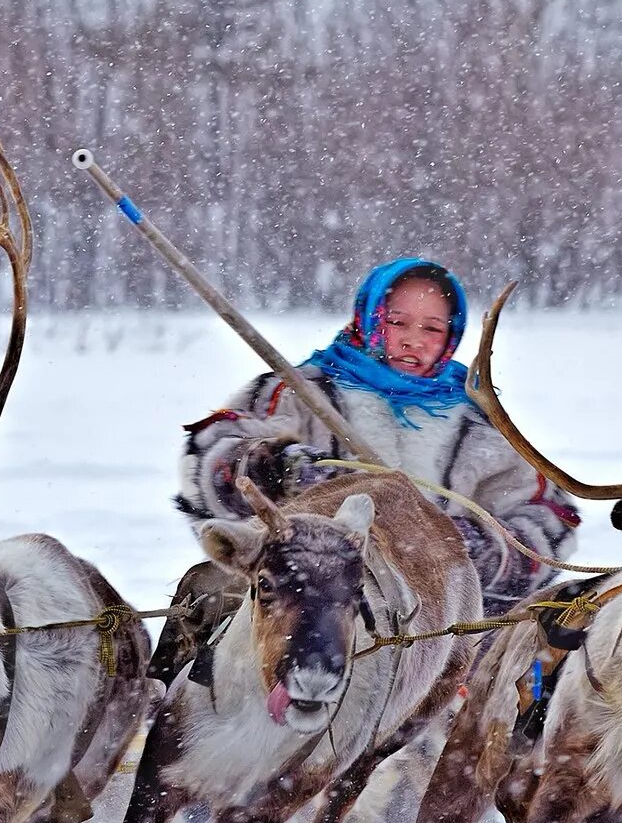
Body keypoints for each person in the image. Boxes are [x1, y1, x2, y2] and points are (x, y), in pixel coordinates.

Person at [175, 258, 578, 614]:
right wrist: (280, 467)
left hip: (436, 624)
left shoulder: (477, 422)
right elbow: (211, 457)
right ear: (368, 317)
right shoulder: (301, 393)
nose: (413, 339)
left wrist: (472, 549)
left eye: (432, 328)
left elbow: (547, 521)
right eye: (397, 321)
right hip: (295, 605)